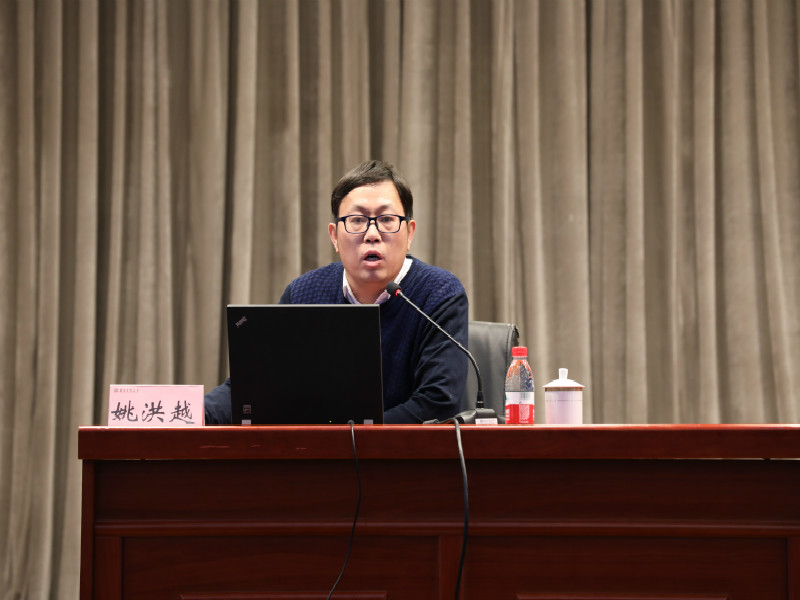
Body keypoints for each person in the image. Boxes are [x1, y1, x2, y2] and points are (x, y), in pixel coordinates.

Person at [204, 160, 468, 424]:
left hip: (402, 451)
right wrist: (195, 414)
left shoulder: (439, 294)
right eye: (357, 220)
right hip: (319, 449)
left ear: (409, 233)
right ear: (334, 236)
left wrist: (349, 436)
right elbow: (254, 385)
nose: (372, 234)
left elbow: (438, 403)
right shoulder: (303, 294)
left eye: (387, 220)